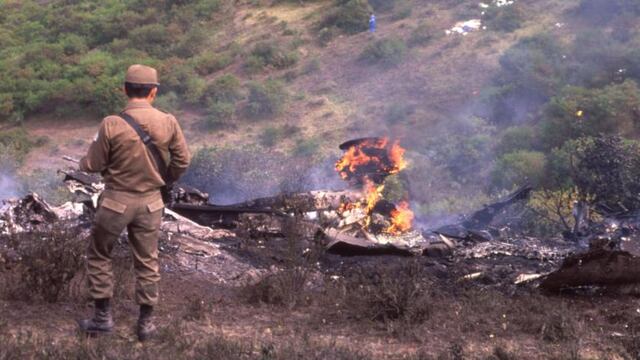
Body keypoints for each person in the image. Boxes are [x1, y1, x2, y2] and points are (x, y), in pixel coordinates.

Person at [77, 64, 191, 341]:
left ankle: (103, 318)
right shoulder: (168, 121)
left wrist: (84, 161)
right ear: (153, 91)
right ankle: (146, 325)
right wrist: (165, 179)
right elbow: (182, 161)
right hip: (151, 203)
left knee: (99, 255)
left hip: (116, 201)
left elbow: (93, 164)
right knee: (148, 261)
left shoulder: (111, 123)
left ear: (125, 90)